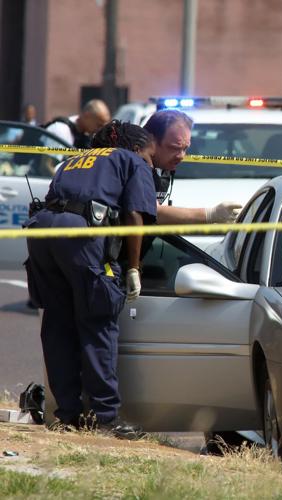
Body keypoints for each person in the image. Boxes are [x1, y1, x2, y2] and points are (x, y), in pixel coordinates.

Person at [24, 121, 158, 438]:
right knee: (98, 320)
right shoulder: (131, 160)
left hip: (43, 230)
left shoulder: (75, 159)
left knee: (58, 323)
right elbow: (135, 215)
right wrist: (134, 267)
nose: (151, 164)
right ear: (137, 148)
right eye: (150, 157)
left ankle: (67, 416)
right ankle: (106, 418)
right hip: (80, 236)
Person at [141, 109, 241, 224]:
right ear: (151, 141)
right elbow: (153, 212)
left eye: (185, 149)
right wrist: (211, 214)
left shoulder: (161, 166)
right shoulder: (135, 165)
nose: (181, 156)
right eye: (174, 148)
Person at [44, 99, 111, 148]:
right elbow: (47, 165)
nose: (100, 130)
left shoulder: (85, 136)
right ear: (87, 116)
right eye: (99, 125)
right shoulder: (61, 130)